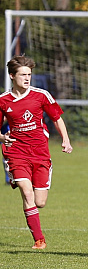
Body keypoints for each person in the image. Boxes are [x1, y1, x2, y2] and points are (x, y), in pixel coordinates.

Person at [0, 55, 73, 249]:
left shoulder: (41, 95)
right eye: (23, 74)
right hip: (16, 152)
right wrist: (2, 138)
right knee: (26, 191)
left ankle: (26, 191)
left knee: (39, 202)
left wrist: (65, 140)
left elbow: (57, 118)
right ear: (11, 76)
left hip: (40, 153)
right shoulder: (3, 100)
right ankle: (39, 240)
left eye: (29, 74)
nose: (27, 78)